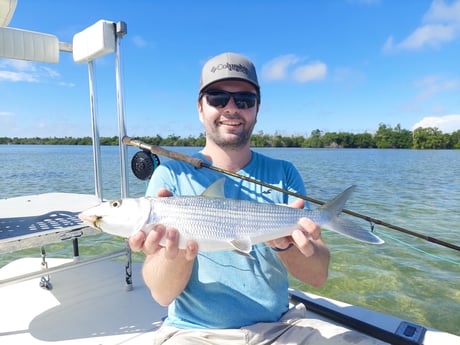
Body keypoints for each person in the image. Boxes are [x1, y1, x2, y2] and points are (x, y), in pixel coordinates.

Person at [129, 52, 385, 344]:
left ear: (257, 109)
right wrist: (176, 254)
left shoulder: (284, 173)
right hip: (193, 331)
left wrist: (286, 245)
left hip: (280, 328)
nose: (231, 109)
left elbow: (318, 277)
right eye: (217, 98)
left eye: (244, 100)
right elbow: (162, 294)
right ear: (200, 108)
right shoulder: (170, 177)